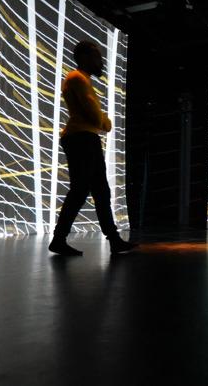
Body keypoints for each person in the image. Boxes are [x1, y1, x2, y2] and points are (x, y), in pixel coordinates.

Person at [49, 40, 137, 256]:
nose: (101, 61)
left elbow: (95, 115)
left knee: (99, 190)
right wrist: (106, 122)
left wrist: (101, 121)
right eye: (97, 56)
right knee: (82, 190)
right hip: (81, 138)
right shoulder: (77, 78)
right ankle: (59, 239)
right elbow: (96, 116)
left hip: (86, 138)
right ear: (85, 57)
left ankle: (113, 240)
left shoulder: (82, 79)